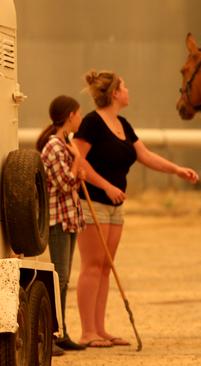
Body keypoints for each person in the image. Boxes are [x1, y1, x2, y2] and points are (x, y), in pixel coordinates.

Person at [74, 70, 199, 348]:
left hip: (116, 206)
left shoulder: (123, 124)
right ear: (115, 93)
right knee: (92, 266)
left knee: (106, 267)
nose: (129, 90)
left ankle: (100, 329)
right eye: (125, 86)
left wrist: (176, 170)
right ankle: (87, 332)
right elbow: (78, 160)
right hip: (92, 202)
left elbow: (144, 155)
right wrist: (105, 186)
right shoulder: (92, 123)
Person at [37, 95, 87, 356]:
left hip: (68, 218)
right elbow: (66, 184)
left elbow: (74, 181)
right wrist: (78, 161)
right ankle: (53, 333)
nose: (81, 118)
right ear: (70, 116)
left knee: (65, 278)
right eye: (78, 114)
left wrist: (78, 169)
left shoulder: (65, 144)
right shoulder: (55, 147)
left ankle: (62, 331)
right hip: (58, 219)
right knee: (60, 277)